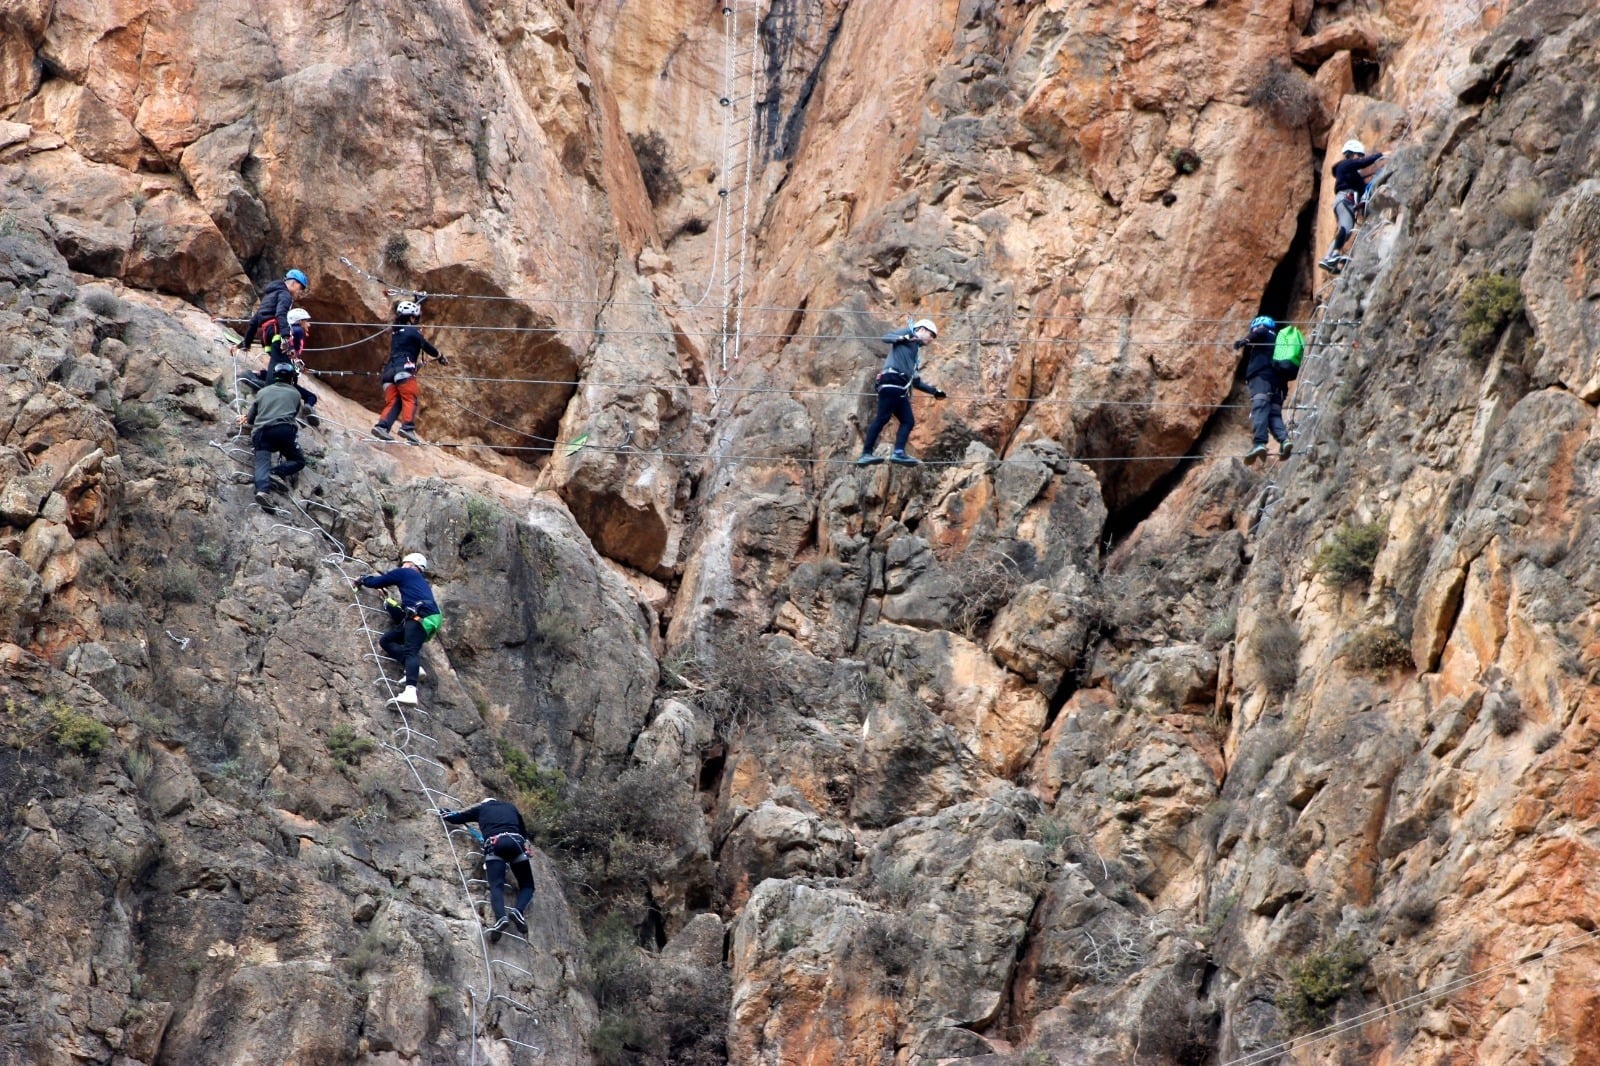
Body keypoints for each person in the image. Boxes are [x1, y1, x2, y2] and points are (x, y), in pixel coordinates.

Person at [352, 552, 442, 706]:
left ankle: (410, 692)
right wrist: (387, 600)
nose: (402, 565)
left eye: (404, 563)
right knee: (386, 640)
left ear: (411, 565)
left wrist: (362, 579)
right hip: (424, 616)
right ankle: (413, 667)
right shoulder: (419, 583)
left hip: (420, 615)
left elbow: (380, 581)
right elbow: (399, 612)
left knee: (410, 650)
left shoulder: (406, 573)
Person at [441, 797, 536, 942]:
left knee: (496, 885)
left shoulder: (482, 809)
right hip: (516, 844)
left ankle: (501, 918)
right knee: (527, 885)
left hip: (494, 845)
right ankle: (518, 911)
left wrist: (445, 813)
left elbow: (458, 818)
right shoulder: (511, 807)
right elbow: (523, 832)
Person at [856, 318, 946, 466]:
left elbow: (916, 382)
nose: (931, 340)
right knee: (882, 418)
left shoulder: (914, 352)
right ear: (921, 330)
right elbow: (886, 338)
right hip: (892, 381)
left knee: (908, 421)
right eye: (931, 335)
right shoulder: (908, 333)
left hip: (900, 387)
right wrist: (904, 337)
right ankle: (866, 454)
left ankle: (898, 453)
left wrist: (935, 392)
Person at [371, 300, 446, 444]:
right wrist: (440, 356)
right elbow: (426, 346)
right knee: (410, 398)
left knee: (394, 401)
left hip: (388, 373)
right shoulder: (413, 332)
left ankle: (382, 427)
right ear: (412, 317)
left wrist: (417, 300)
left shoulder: (396, 332)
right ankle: (407, 428)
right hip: (404, 370)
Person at [238, 362, 308, 508]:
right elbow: (293, 414)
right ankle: (276, 472)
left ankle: (262, 491)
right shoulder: (296, 394)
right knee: (298, 460)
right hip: (283, 431)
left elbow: (251, 418)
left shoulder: (263, 392)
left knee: (261, 463)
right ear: (291, 378)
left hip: (261, 433)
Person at [1318, 140, 1384, 273]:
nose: (1360, 158)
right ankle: (1335, 254)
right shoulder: (1345, 165)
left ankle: (1328, 258)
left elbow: (1364, 188)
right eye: (1359, 155)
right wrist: (1380, 155)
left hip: (1344, 201)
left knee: (1345, 231)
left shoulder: (1352, 175)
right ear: (1351, 154)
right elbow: (1363, 163)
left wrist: (1376, 177)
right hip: (1345, 199)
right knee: (1346, 228)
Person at [1234, 316, 1291, 461]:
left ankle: (1259, 443)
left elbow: (1258, 333)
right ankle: (1285, 441)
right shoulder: (1279, 340)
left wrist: (1245, 340)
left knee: (1259, 407)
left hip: (1262, 379)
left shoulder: (1263, 332)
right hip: (1279, 385)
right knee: (1273, 415)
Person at [236, 268, 310, 365]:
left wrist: (246, 343)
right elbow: (281, 314)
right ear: (293, 283)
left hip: (266, 336)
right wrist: (286, 336)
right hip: (276, 332)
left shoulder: (269, 296)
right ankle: (261, 376)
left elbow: (254, 321)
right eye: (300, 288)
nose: (299, 292)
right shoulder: (285, 295)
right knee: (284, 366)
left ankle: (263, 377)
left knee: (276, 364)